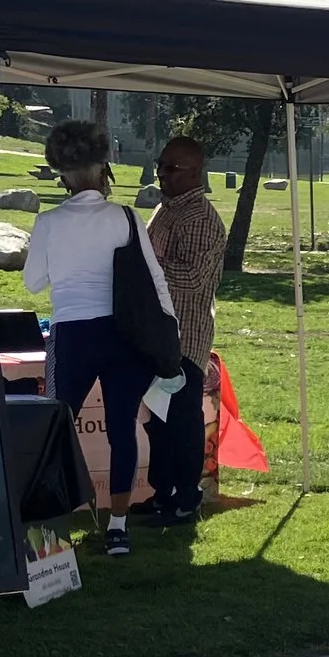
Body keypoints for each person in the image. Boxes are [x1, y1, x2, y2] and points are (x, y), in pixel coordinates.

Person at [20, 120, 173, 558]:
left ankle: (52, 532)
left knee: (57, 429)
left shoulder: (49, 221)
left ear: (62, 172)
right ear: (103, 166)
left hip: (73, 333)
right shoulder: (127, 216)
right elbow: (154, 280)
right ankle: (118, 528)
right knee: (121, 428)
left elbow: (33, 283)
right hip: (123, 333)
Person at [140, 135, 228, 524]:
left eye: (171, 168)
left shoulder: (201, 219)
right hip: (157, 334)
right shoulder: (167, 208)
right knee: (158, 420)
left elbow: (192, 279)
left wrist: (147, 265)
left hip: (184, 337)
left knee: (181, 419)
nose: (162, 174)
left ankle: (187, 498)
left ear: (196, 172)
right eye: (160, 166)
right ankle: (163, 493)